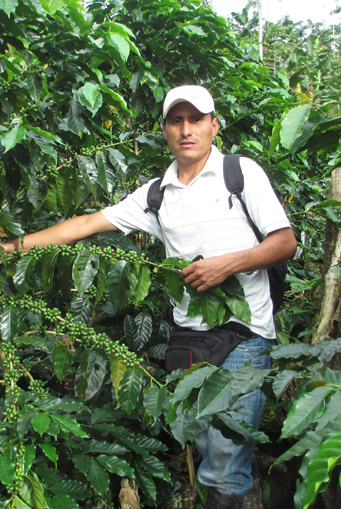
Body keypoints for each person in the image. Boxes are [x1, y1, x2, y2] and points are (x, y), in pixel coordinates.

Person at [1, 85, 297, 507]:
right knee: (207, 449)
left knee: (227, 463)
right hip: (189, 341)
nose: (187, 130)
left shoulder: (240, 172)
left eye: (196, 119)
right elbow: (86, 224)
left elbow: (285, 243)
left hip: (245, 334)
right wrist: (13, 247)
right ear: (164, 131)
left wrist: (227, 263)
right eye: (176, 121)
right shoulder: (157, 194)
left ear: (214, 125)